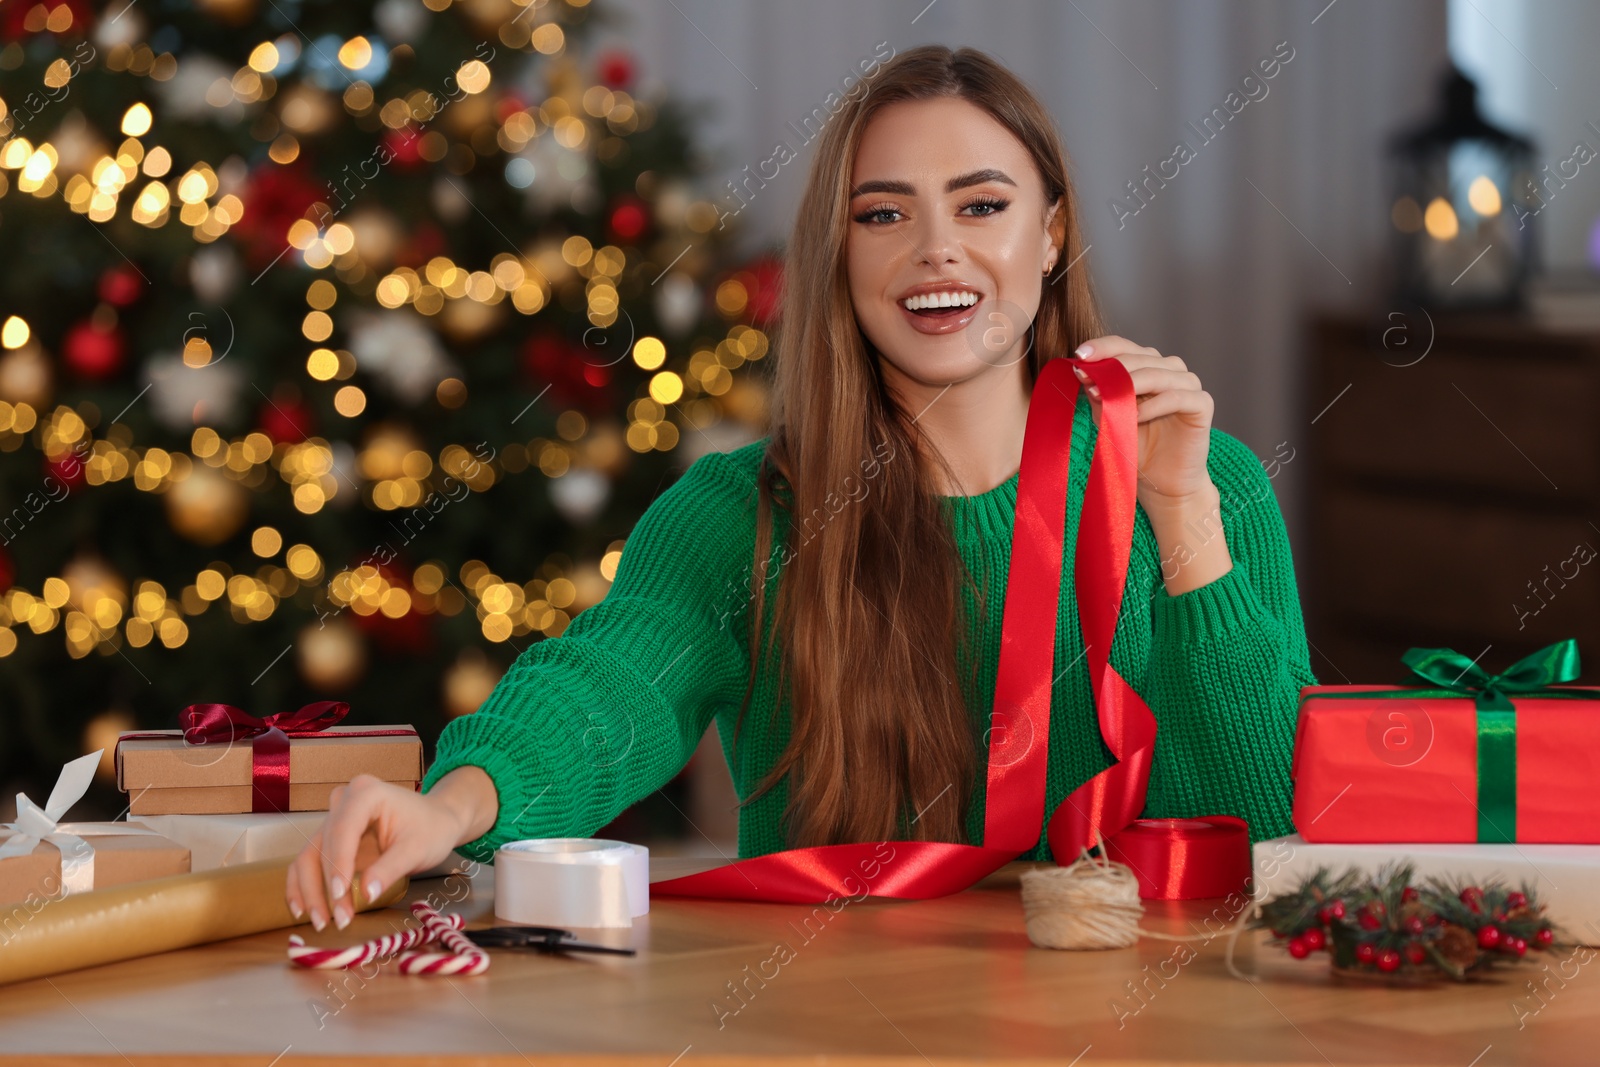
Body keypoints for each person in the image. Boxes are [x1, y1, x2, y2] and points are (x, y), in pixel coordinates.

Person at [286, 44, 1318, 931]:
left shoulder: (1208, 483)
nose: (936, 249)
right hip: (834, 1022)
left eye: (983, 204)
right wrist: (457, 803)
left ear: (1049, 234)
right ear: (839, 250)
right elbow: (607, 689)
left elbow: (1276, 827)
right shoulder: (739, 512)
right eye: (883, 213)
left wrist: (1183, 521)